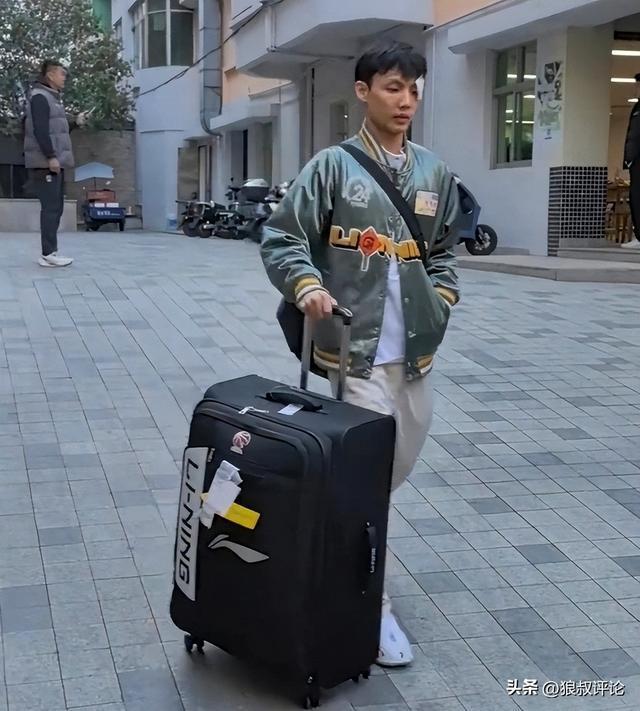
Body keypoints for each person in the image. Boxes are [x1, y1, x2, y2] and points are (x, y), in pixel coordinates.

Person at [260, 40, 460, 668]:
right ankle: (371, 607)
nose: (406, 100)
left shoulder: (433, 173)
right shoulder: (331, 168)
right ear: (363, 91)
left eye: (414, 89)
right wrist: (307, 285)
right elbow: (283, 236)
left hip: (416, 353)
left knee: (388, 472)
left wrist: (442, 301)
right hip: (355, 353)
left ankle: (329, 541)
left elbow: (445, 253)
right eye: (393, 87)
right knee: (369, 480)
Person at [23, 60, 90, 267]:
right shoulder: (40, 98)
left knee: (56, 207)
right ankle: (48, 254)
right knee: (51, 208)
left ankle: (51, 252)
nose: (64, 78)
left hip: (53, 163)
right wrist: (51, 156)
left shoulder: (52, 99)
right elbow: (40, 131)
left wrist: (76, 122)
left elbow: (56, 130)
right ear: (50, 75)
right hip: (46, 163)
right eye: (62, 74)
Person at [621, 72, 640, 249]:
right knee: (635, 197)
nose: (636, 88)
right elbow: (631, 135)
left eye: (638, 85)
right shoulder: (637, 108)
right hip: (635, 161)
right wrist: (627, 160)